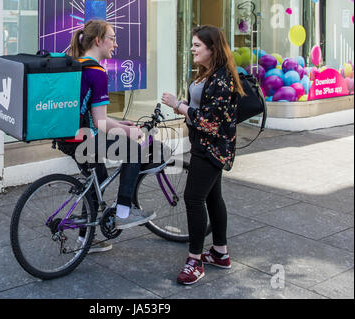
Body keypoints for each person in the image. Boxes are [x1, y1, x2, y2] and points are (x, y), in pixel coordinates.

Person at [55, 20, 156, 253]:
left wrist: (119, 124)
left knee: (96, 183)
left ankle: (84, 241)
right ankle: (123, 212)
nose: (115, 43)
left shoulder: (76, 65)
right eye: (112, 37)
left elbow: (89, 113)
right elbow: (100, 121)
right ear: (98, 40)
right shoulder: (97, 72)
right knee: (134, 148)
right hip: (83, 140)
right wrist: (133, 132)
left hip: (68, 137)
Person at [161, 25, 245, 285]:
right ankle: (220, 253)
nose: (192, 49)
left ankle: (194, 261)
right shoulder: (209, 73)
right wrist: (185, 109)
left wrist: (179, 105)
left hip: (212, 148)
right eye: (193, 44)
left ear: (212, 49)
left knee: (193, 198)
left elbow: (210, 123)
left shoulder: (222, 79)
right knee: (213, 197)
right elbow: (201, 111)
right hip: (204, 145)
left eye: (198, 45)